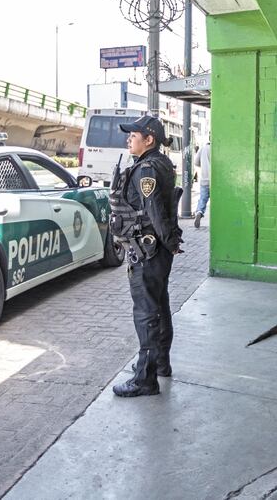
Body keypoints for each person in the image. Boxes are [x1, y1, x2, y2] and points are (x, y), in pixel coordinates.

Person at [109, 115, 183, 397]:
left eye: (134, 134)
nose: (129, 138)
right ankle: (160, 364)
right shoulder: (157, 163)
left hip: (147, 251)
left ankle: (145, 378)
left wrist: (169, 242)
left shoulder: (147, 169)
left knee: (146, 313)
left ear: (149, 139)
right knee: (159, 306)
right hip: (156, 249)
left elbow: (154, 211)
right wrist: (170, 244)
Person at [193, 139, 211, 228]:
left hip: (204, 179)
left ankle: (199, 212)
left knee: (203, 199)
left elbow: (196, 162)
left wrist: (204, 165)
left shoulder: (203, 148)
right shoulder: (217, 148)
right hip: (215, 181)